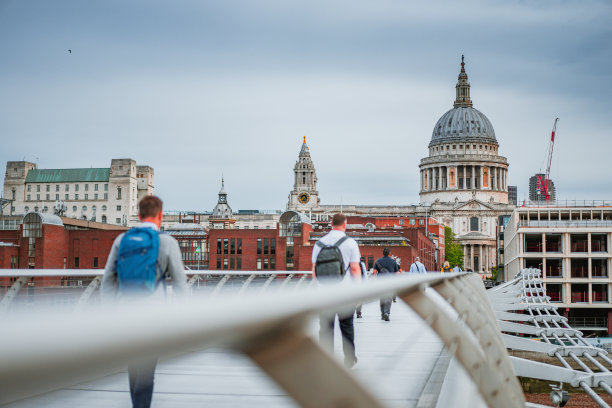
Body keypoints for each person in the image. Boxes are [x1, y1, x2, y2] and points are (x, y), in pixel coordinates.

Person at [101, 195, 188, 408]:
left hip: (124, 315)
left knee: (133, 365)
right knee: (147, 369)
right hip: (153, 317)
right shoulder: (167, 242)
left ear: (138, 215)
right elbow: (180, 285)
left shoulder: (121, 240)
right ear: (160, 215)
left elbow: (107, 283)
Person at [312, 213, 361, 368]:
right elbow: (354, 268)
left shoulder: (319, 243)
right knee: (346, 326)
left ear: (331, 224)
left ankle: (326, 360)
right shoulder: (350, 243)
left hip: (324, 293)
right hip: (345, 292)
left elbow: (314, 269)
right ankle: (349, 358)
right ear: (345, 224)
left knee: (325, 327)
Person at [373, 248, 399, 321]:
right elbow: (396, 273)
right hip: (390, 281)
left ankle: (382, 314)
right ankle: (387, 313)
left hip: (381, 282)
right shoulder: (393, 262)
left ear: (382, 253)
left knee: (382, 298)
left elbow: (374, 272)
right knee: (389, 298)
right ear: (389, 253)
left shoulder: (378, 261)